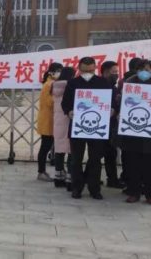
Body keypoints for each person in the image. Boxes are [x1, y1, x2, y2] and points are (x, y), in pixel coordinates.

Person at [61, 56, 116, 200]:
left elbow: (113, 100)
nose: (88, 73)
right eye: (85, 70)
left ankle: (94, 188)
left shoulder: (103, 82)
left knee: (95, 159)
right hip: (77, 127)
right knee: (76, 159)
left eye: (91, 70)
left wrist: (113, 110)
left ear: (95, 69)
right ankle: (76, 188)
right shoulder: (73, 83)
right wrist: (69, 111)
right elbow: (65, 102)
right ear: (79, 69)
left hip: (98, 128)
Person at [119, 59, 151, 204]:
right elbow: (120, 100)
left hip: (149, 131)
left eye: (148, 69)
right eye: (142, 69)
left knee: (148, 164)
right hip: (132, 130)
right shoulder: (130, 82)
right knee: (132, 163)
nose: (145, 72)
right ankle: (134, 192)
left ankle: (149, 194)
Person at [36, 62, 63, 182]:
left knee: (46, 146)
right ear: (52, 72)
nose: (59, 73)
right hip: (48, 120)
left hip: (49, 120)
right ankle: (41, 172)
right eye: (58, 71)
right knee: (45, 147)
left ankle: (42, 172)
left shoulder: (50, 83)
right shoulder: (50, 84)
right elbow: (50, 102)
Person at [99, 61, 124, 189]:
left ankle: (112, 179)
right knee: (99, 153)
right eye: (114, 72)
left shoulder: (113, 87)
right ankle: (89, 177)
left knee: (110, 153)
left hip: (111, 125)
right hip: (99, 126)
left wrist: (116, 107)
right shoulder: (99, 85)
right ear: (106, 72)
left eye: (117, 72)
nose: (117, 75)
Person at [51, 67, 75, 189]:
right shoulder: (71, 86)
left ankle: (58, 176)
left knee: (59, 150)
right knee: (71, 150)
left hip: (57, 121)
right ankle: (70, 177)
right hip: (70, 120)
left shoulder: (54, 86)